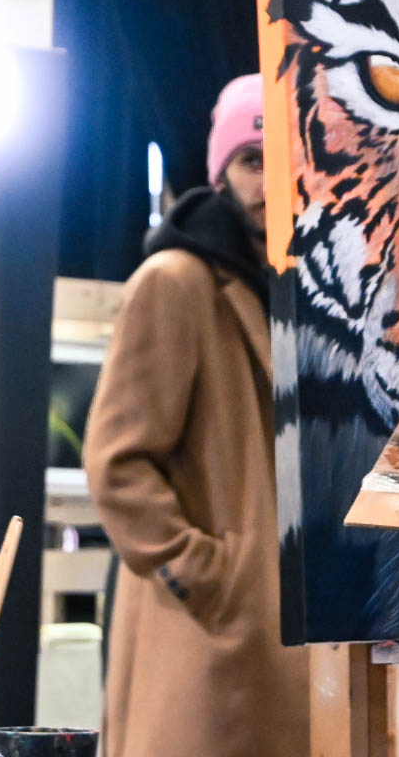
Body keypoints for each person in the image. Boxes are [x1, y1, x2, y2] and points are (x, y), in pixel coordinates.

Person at [83, 74, 307, 757]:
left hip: (281, 641)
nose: (269, 182)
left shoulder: (297, 290)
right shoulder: (177, 281)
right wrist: (210, 576)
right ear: (219, 173)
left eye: (285, 161)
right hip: (209, 637)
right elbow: (117, 463)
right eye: (251, 161)